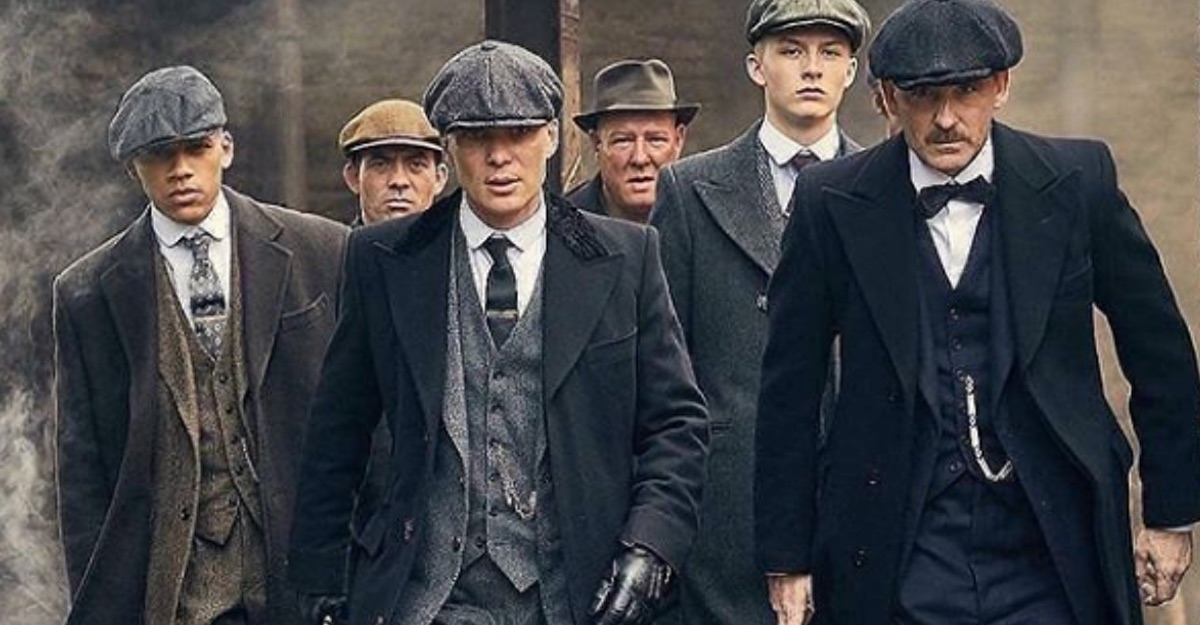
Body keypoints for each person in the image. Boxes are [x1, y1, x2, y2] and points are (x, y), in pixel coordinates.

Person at [755, 1, 1200, 623]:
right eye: (923, 96)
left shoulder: (1077, 181)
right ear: (887, 98)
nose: (946, 119)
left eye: (966, 92)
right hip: (897, 544)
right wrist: (788, 557)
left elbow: (1158, 349)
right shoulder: (830, 202)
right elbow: (789, 389)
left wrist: (1170, 514)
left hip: (1053, 543)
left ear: (1001, 86)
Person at [286, 40, 709, 625]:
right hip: (428, 598)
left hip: (575, 596)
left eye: (519, 134)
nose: (500, 158)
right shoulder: (384, 259)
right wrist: (320, 577)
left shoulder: (625, 256)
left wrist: (650, 546)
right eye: (478, 139)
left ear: (551, 138)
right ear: (449, 147)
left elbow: (676, 426)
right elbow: (338, 430)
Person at [53, 65, 348, 625]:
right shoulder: (86, 293)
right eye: (159, 155)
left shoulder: (323, 251)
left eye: (197, 148)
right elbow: (82, 477)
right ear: (132, 168)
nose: (181, 169)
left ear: (226, 148)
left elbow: (366, 430)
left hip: (304, 586)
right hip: (172, 594)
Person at [647, 0, 869, 623]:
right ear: (756, 66)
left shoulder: (887, 189)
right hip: (727, 513)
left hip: (860, 498)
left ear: (852, 71)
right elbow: (662, 370)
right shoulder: (689, 190)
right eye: (791, 51)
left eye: (830, 53)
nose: (811, 68)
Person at [566, 59, 697, 223]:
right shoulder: (562, 226)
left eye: (655, 139)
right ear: (596, 143)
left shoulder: (704, 218)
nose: (639, 159)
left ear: (678, 140)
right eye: (623, 141)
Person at [339, 98, 449, 227]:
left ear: (439, 179)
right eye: (380, 164)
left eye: (416, 165)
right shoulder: (336, 241)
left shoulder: (462, 240)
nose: (399, 181)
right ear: (354, 177)